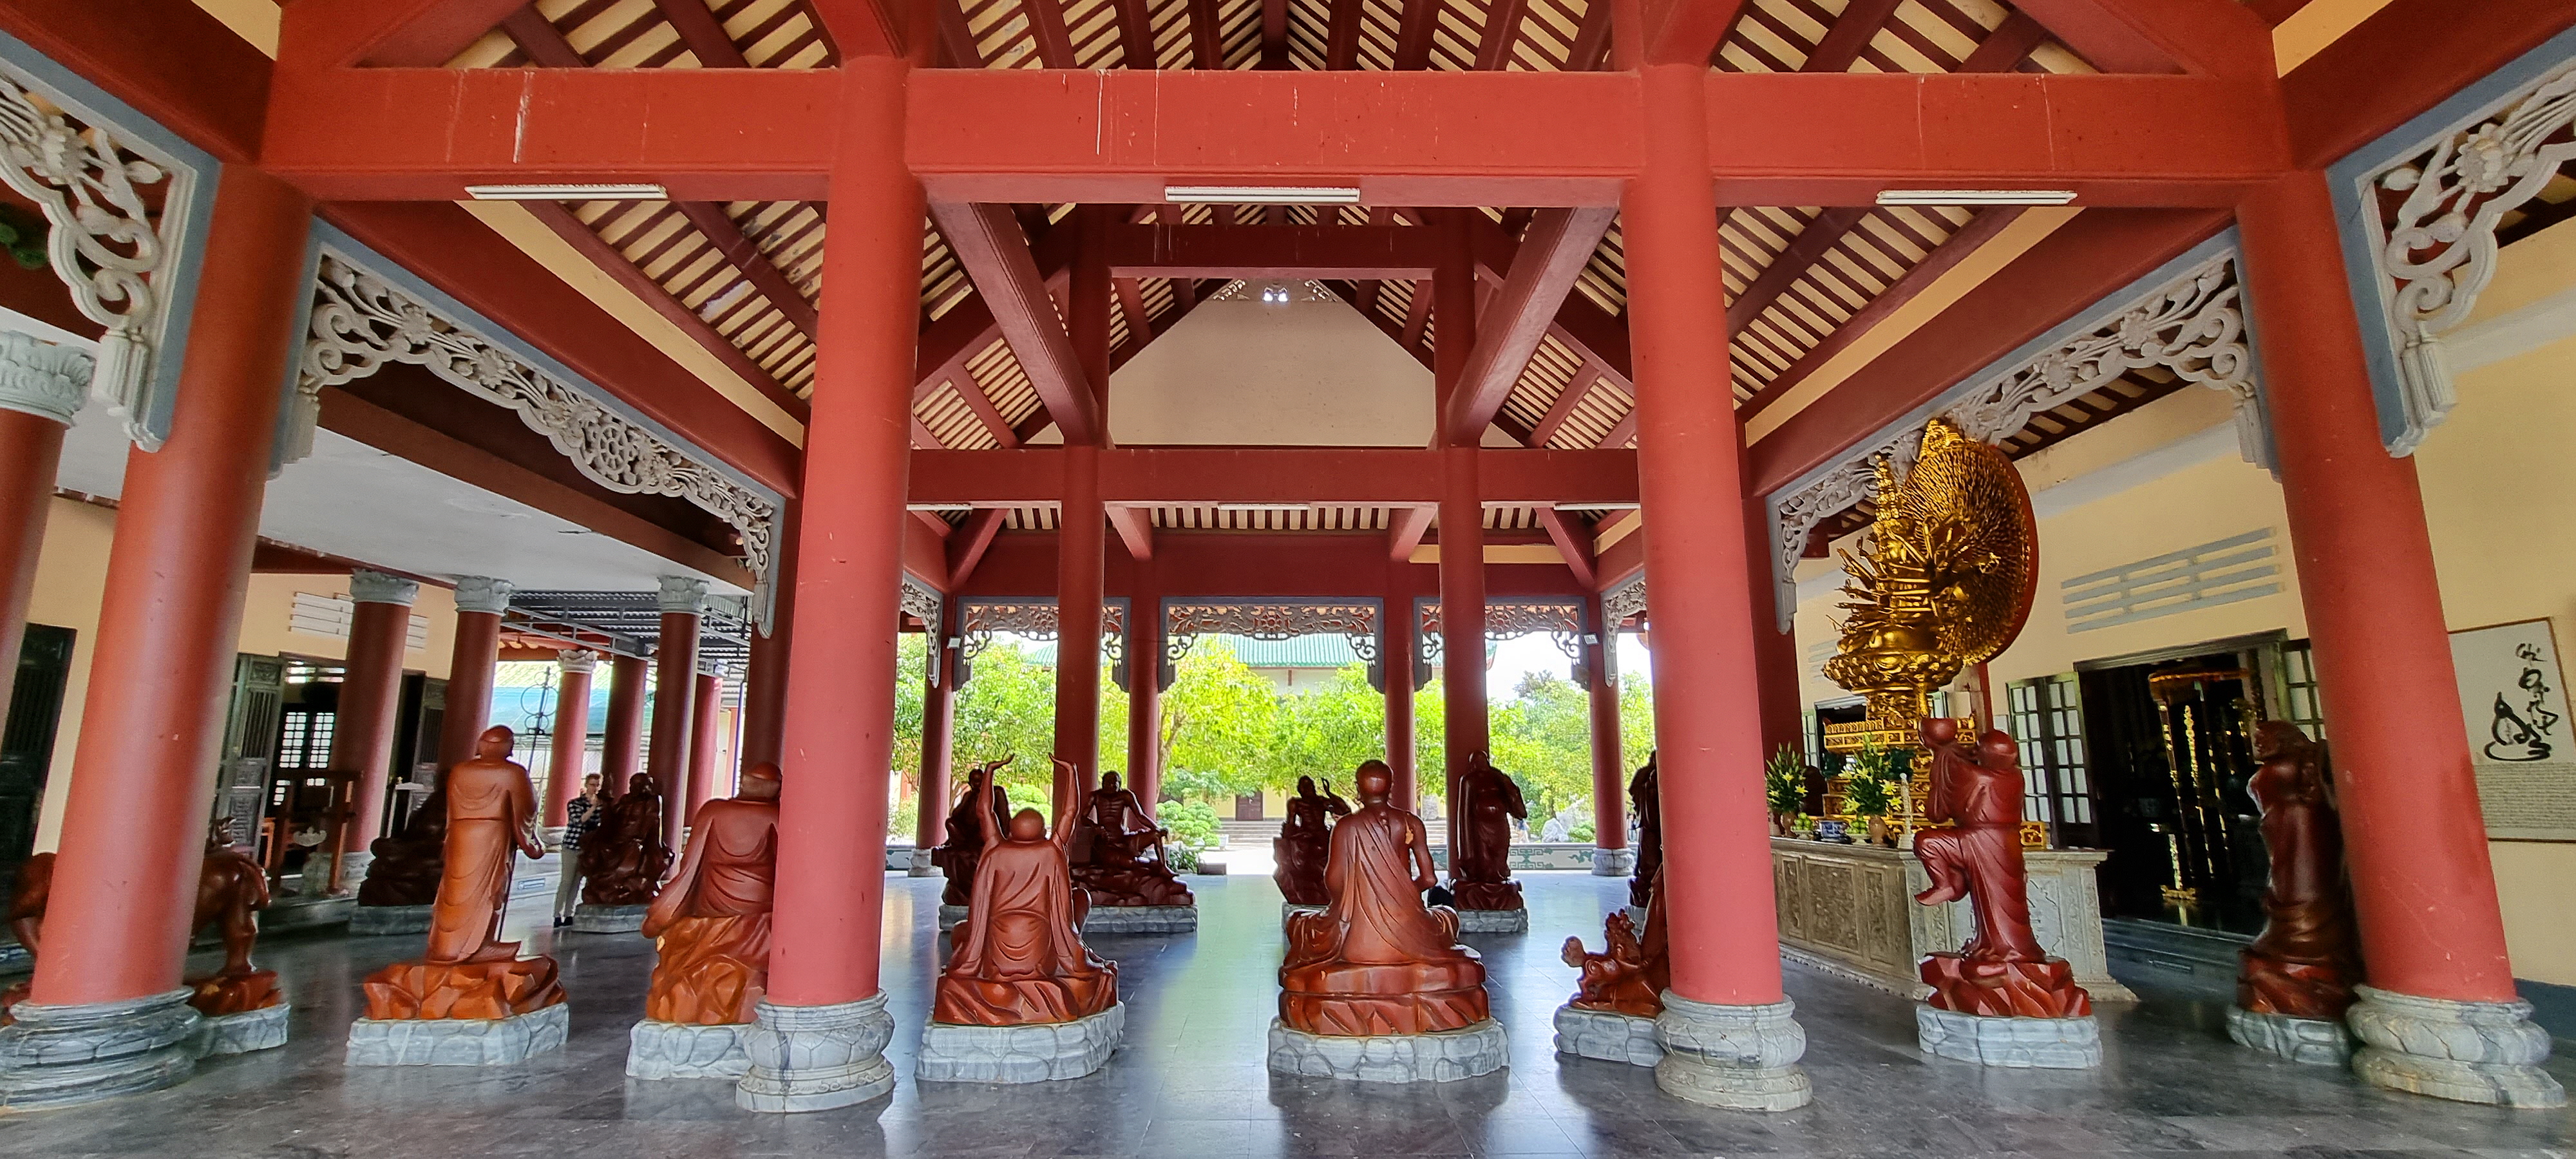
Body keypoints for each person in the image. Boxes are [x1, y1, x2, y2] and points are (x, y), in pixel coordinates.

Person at [1279, 759, 1490, 1036]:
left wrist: (1361, 896)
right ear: (1391, 787)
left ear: (1358, 789)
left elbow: (1334, 883)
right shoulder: (1410, 823)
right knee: (1447, 917)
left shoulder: (1346, 827)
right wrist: (1404, 895)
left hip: (1356, 945)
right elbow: (1429, 879)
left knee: (1299, 922)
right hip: (1412, 934)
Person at [936, 759, 1116, 1025]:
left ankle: (997, 987)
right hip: (1039, 953)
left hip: (997, 956)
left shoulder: (997, 850)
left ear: (1010, 830)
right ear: (1043, 832)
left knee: (963, 932)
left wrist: (990, 772)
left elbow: (984, 811)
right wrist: (1072, 772)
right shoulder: (1050, 851)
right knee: (1079, 903)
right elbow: (1070, 813)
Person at [642, 762, 781, 1025]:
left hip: (713, 905)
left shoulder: (713, 810)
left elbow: (691, 863)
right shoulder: (775, 815)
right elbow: (789, 867)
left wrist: (671, 901)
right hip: (759, 906)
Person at [554, 773, 606, 926]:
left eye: (597, 785)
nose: (595, 788)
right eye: (592, 785)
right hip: (571, 847)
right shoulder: (575, 803)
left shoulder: (601, 806)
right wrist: (593, 808)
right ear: (586, 785)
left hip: (586, 849)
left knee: (577, 883)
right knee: (566, 881)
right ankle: (557, 914)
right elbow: (579, 820)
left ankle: (569, 914)